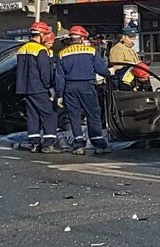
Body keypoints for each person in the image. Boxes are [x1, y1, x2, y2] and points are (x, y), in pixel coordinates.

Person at [58, 25, 110, 153]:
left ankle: (79, 145)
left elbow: (59, 77)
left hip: (70, 88)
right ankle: (98, 145)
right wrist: (110, 73)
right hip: (87, 86)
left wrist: (59, 95)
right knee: (93, 114)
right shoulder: (91, 51)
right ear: (82, 38)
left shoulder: (62, 54)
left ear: (71, 39)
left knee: (74, 116)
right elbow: (101, 70)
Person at [15, 22, 64, 152]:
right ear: (41, 34)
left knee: (33, 115)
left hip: (25, 88)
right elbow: (44, 71)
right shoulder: (40, 50)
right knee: (49, 114)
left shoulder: (22, 49)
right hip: (39, 88)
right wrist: (50, 87)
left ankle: (34, 143)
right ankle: (49, 143)